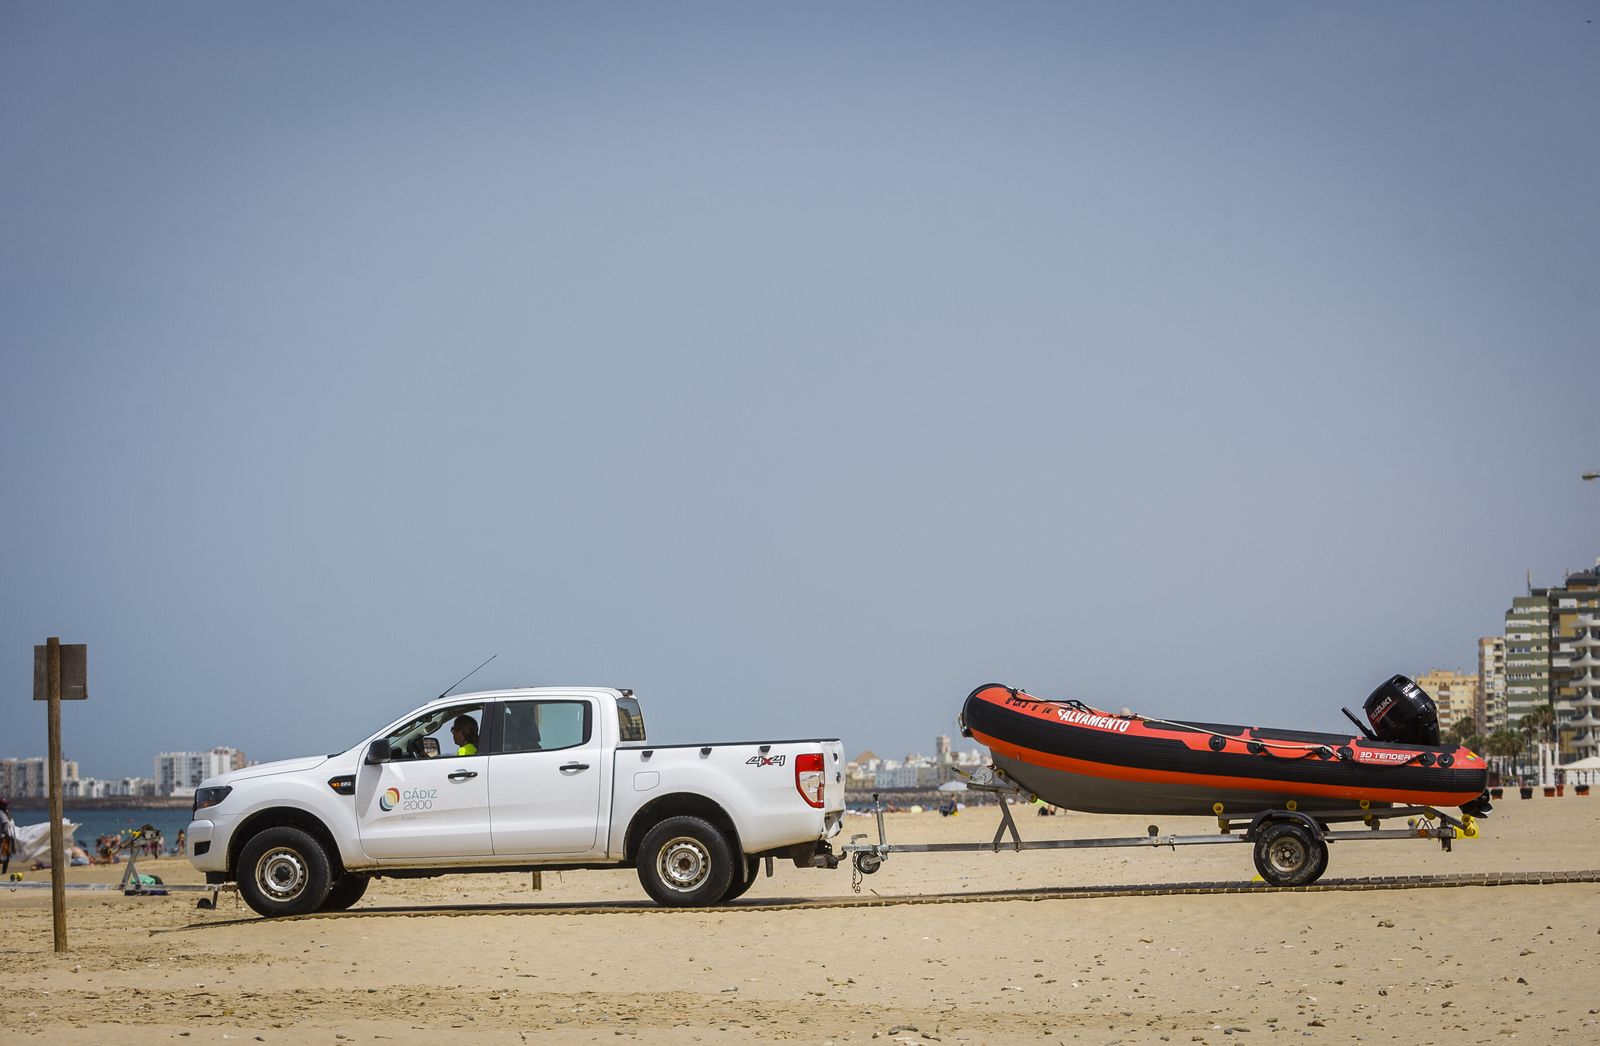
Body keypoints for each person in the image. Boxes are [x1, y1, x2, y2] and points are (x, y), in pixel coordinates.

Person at [0, 797, 18, 876]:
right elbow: (6, 826)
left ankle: (3, 874)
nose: (6, 806)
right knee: (5, 857)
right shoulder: (1, 813)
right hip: (2, 838)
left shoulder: (4, 812)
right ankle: (3, 874)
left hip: (4, 838)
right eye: (4, 804)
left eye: (6, 804)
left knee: (6, 857)